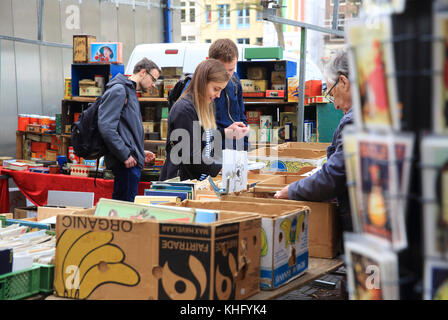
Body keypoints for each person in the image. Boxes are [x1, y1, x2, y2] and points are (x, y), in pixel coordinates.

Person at [274, 49, 354, 232]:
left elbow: (333, 178)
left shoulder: (354, 121)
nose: (335, 105)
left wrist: (292, 190)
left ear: (343, 82)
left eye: (332, 94)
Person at [160, 59, 249, 181]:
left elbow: (201, 137)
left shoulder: (202, 105)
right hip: (180, 183)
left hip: (194, 180)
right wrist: (220, 168)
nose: (218, 95)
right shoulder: (184, 110)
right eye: (216, 89)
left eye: (221, 90)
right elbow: (189, 155)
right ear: (203, 82)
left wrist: (226, 132)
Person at [98, 58, 159, 202]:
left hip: (130, 163)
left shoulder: (129, 91)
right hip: (126, 165)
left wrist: (139, 151)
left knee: (125, 210)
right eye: (153, 79)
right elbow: (107, 127)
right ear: (143, 72)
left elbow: (124, 129)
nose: (154, 84)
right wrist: (125, 154)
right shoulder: (119, 90)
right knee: (124, 212)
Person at [209, 39, 248, 151]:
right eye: (222, 69)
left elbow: (241, 116)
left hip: (234, 148)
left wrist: (244, 148)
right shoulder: (200, 86)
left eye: (231, 69)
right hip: (212, 150)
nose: (227, 75)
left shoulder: (235, 80)